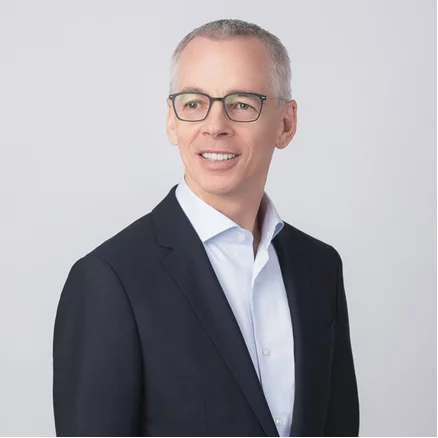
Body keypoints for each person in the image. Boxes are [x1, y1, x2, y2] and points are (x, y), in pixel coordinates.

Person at [53, 18, 359, 438]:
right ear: (172, 120)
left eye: (242, 103)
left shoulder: (319, 267)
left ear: (286, 123)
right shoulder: (110, 280)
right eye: (194, 103)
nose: (215, 125)